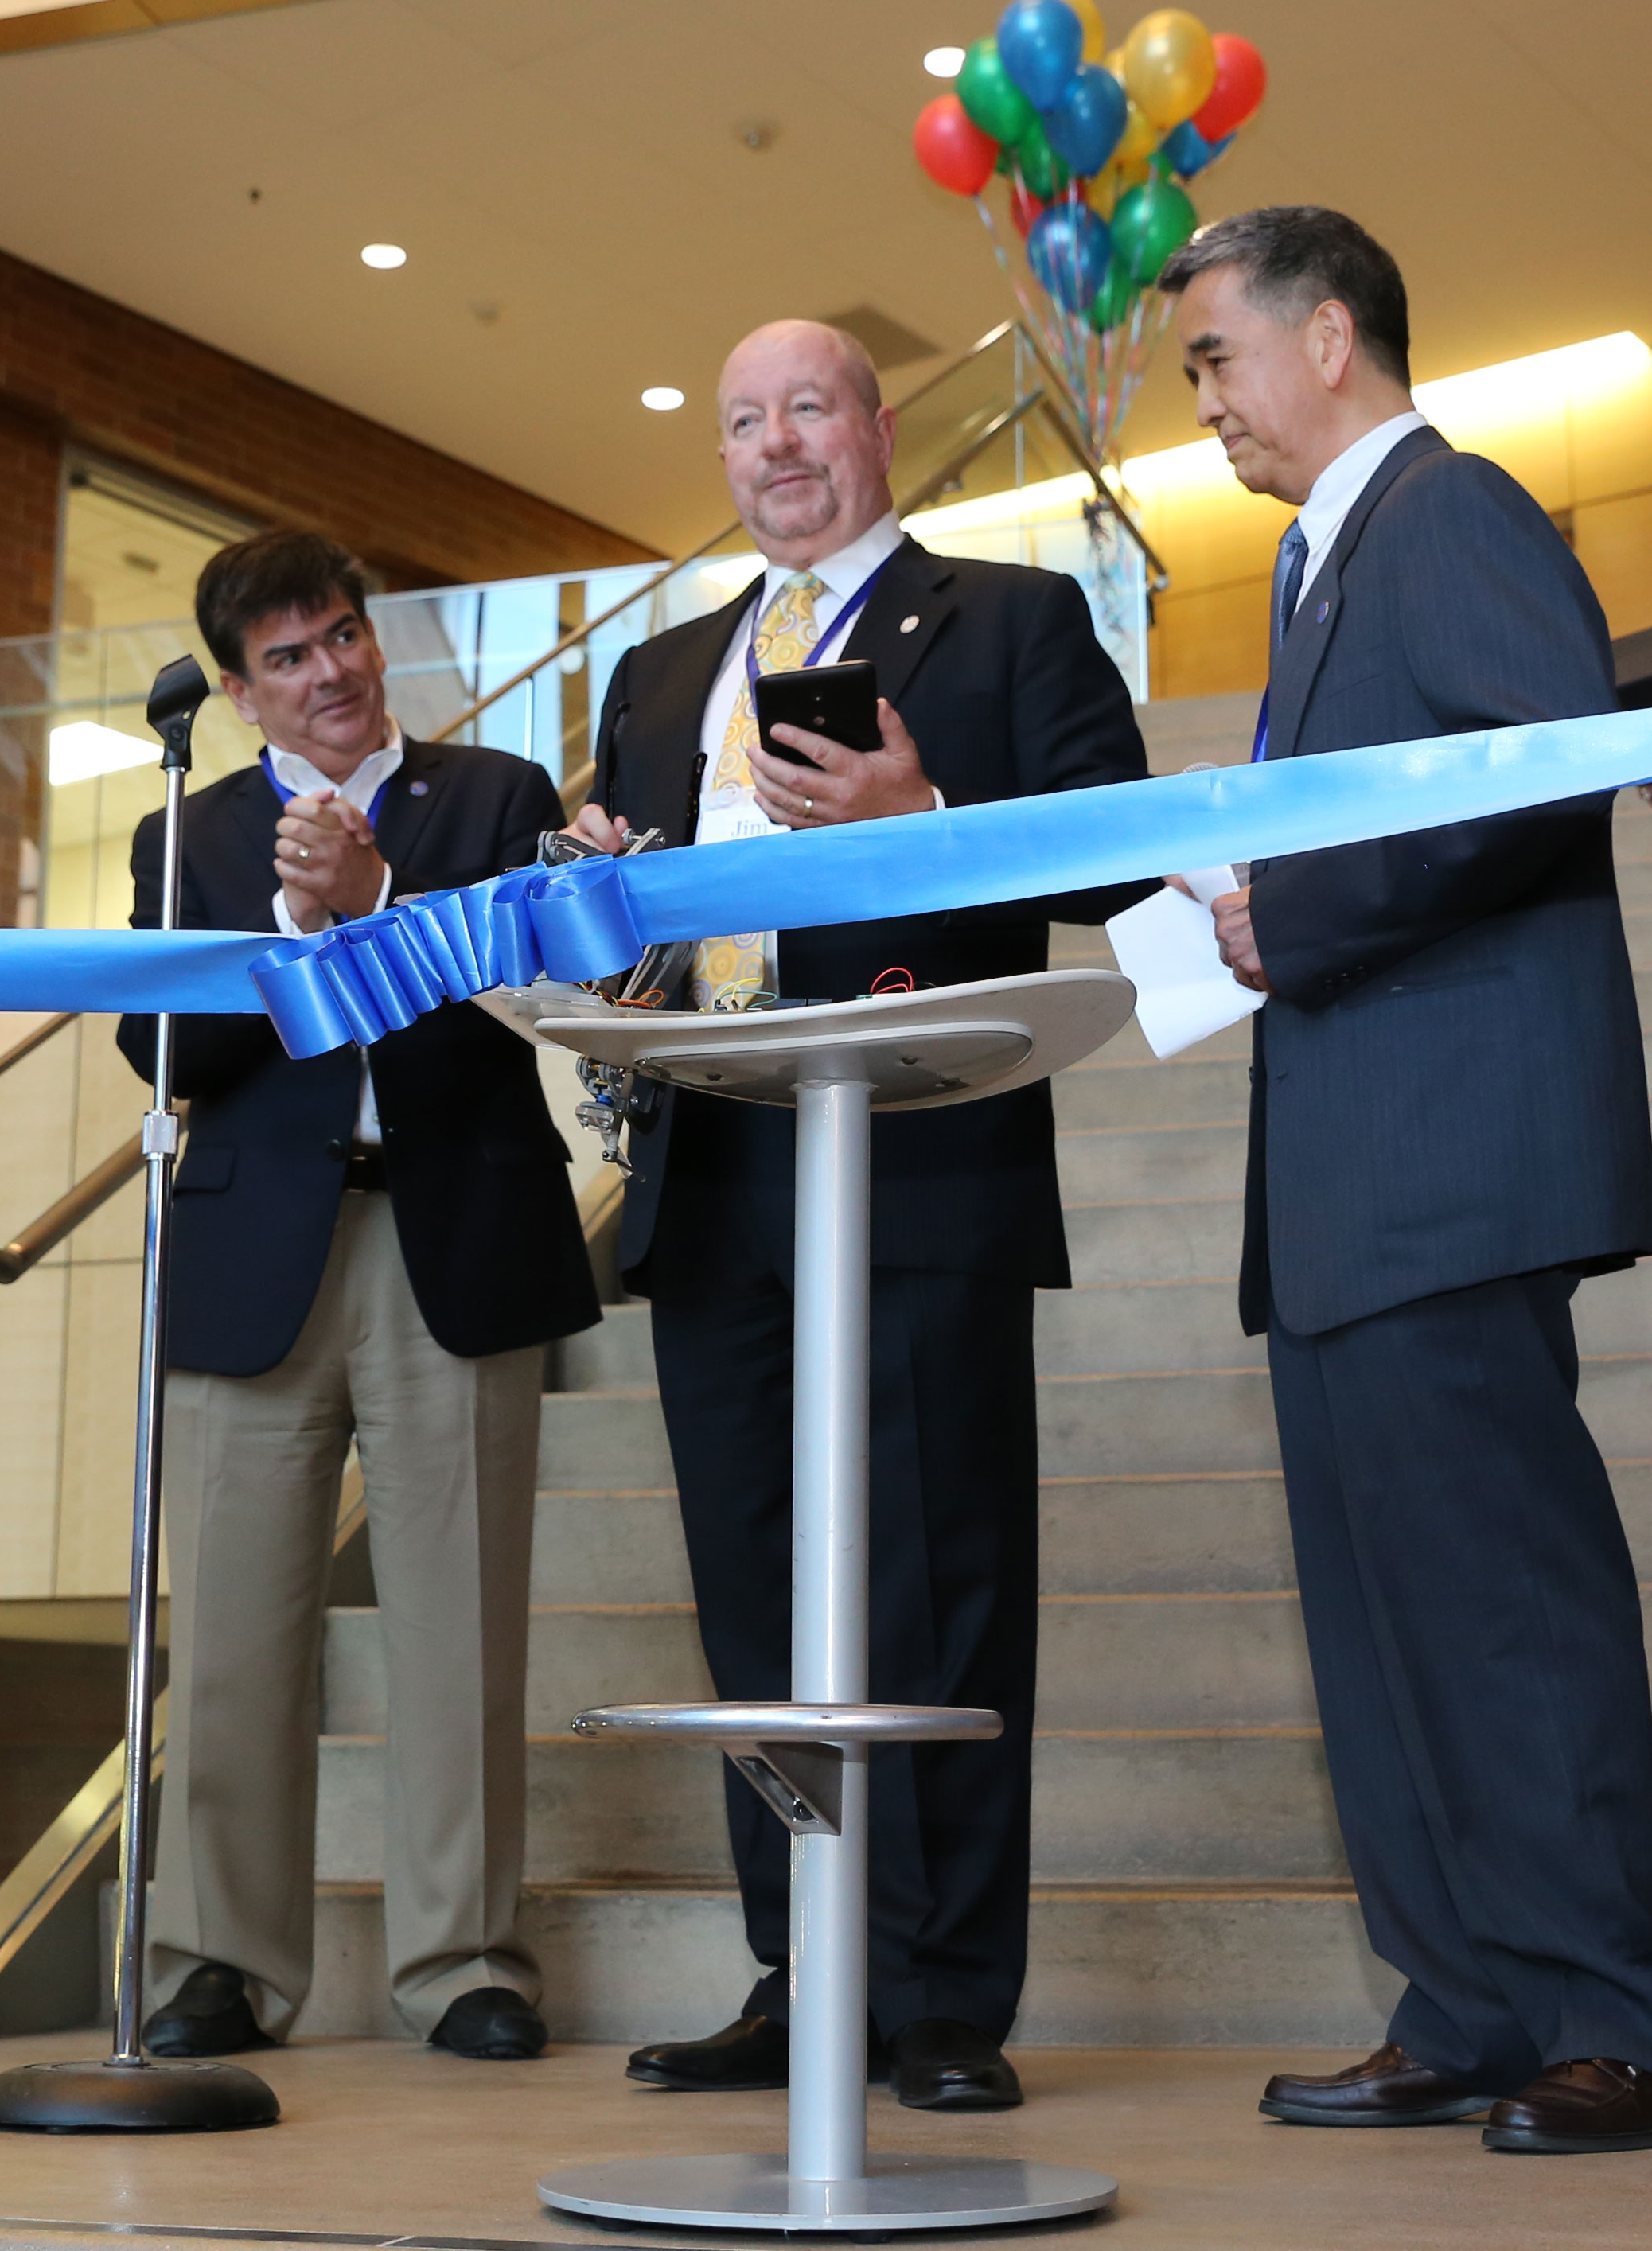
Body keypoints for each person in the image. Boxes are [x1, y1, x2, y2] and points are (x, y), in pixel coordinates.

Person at [563, 320, 1149, 2111]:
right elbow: (644, 930)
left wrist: (929, 811)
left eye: (804, 407)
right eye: (739, 422)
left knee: (940, 1581)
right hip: (716, 1166)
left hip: (921, 1163)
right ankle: (798, 1969)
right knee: (753, 1596)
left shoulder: (1008, 619)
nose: (772, 447)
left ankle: (949, 1994)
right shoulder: (661, 675)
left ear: (877, 427)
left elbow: (1120, 847)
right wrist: (604, 905)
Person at [1163, 206, 1652, 2154]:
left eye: (1214, 357)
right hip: (1345, 1189)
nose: (1200, 401)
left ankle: (1619, 2009)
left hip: (1450, 1162)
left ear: (1326, 338)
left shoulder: (1446, 511)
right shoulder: (1317, 567)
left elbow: (1539, 767)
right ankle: (1462, 1997)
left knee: (1503, 1609)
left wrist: (1294, 910)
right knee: (1379, 1628)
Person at [119, 529, 600, 2062]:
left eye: (341, 636)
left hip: (449, 1239)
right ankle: (221, 1966)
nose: (327, 672)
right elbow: (166, 1056)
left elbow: (508, 1020)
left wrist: (383, 891)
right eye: (286, 657)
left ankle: (465, 1963)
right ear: (244, 693)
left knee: (458, 1630)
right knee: (242, 1639)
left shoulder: (498, 800)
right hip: (252, 1259)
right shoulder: (186, 841)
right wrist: (291, 933)